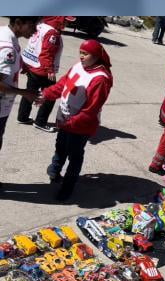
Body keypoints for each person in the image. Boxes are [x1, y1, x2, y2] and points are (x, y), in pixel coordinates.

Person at [42, 39, 113, 200]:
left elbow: (91, 110)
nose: (81, 57)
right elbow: (63, 85)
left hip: (80, 126)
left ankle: (67, 187)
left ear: (96, 56)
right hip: (65, 121)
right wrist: (46, 94)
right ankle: (55, 171)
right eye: (80, 52)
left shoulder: (100, 79)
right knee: (60, 147)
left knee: (74, 156)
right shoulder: (78, 66)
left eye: (85, 54)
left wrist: (71, 123)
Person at [0, 17, 39, 187]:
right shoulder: (8, 48)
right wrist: (25, 93)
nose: (35, 30)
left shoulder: (5, 33)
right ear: (18, 23)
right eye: (32, 25)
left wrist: (22, 64)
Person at [18, 16, 74, 132]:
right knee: (51, 94)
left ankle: (22, 117)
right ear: (59, 19)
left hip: (31, 64)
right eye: (66, 21)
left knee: (30, 91)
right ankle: (40, 122)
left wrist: (25, 64)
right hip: (42, 69)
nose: (67, 24)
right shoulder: (52, 33)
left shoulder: (41, 26)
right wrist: (50, 70)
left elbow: (32, 45)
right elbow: (46, 54)